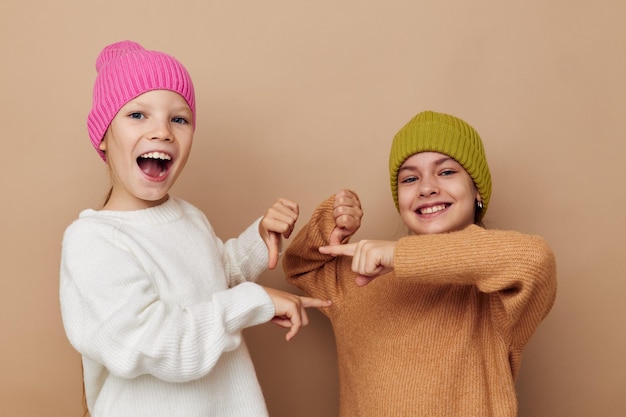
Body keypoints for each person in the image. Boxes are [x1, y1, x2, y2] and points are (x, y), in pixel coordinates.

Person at [59, 40, 330, 417]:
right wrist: (253, 301)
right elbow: (158, 342)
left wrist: (258, 239)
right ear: (103, 137)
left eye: (179, 119)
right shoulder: (93, 240)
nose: (163, 131)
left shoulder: (188, 216)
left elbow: (210, 278)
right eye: (138, 115)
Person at [283, 110, 557, 417]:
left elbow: (534, 259)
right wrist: (331, 223)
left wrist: (402, 254)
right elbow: (302, 266)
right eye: (410, 178)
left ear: (477, 189)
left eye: (446, 172)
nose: (427, 188)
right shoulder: (360, 278)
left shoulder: (495, 295)